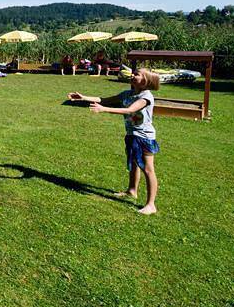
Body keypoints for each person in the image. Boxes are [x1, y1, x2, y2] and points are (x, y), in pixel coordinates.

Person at [67, 68, 162, 215]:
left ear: (145, 80)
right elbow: (104, 99)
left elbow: (130, 110)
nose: (132, 75)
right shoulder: (128, 94)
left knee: (148, 169)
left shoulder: (146, 97)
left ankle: (151, 205)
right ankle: (132, 191)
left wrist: (104, 109)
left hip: (145, 137)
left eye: (137, 74)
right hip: (132, 134)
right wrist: (83, 97)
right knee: (134, 164)